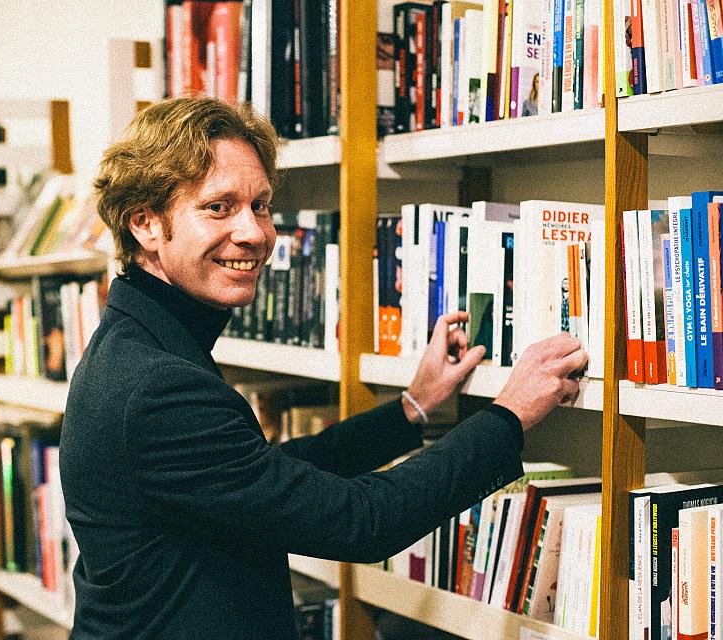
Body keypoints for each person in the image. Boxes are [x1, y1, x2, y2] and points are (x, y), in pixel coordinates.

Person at [59, 97, 587, 640]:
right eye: (219, 207)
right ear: (145, 224)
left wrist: (413, 407)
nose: (255, 233)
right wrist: (509, 415)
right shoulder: (157, 385)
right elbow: (363, 521)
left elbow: (265, 475)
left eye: (260, 205)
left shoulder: (137, 346)